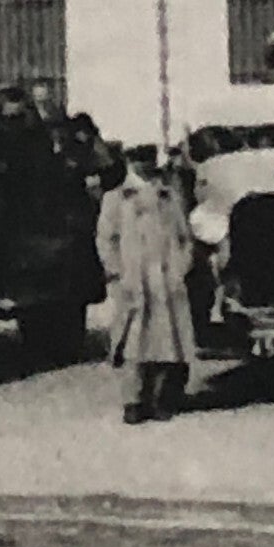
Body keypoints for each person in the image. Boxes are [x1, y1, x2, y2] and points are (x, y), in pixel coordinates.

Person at [96, 142, 196, 424]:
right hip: (133, 279)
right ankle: (134, 400)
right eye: (137, 157)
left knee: (166, 340)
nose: (143, 163)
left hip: (166, 278)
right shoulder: (116, 198)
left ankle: (162, 397)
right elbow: (105, 239)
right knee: (133, 342)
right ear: (128, 160)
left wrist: (180, 268)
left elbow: (184, 236)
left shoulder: (168, 196)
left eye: (148, 157)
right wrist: (116, 272)